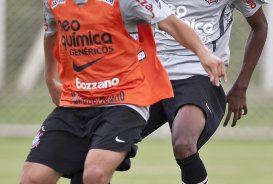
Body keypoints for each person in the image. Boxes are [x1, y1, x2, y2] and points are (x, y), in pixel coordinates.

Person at [19, 0, 226, 184]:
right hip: (76, 101)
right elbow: (51, 33)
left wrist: (204, 53)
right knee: (33, 177)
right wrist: (49, 78)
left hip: (124, 100)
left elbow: (171, 22)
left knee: (94, 174)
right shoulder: (54, 3)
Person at [140, 0, 268, 184]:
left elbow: (260, 26)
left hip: (199, 74)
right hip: (150, 74)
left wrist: (241, 86)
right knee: (102, 147)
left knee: (184, 144)